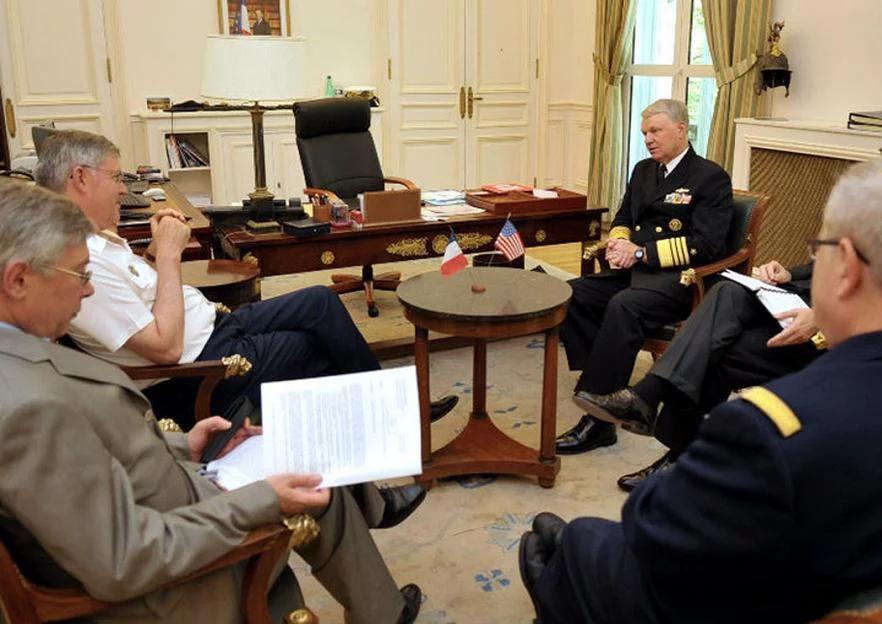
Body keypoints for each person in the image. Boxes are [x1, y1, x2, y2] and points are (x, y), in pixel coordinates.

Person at [0, 181, 427, 623]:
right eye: (79, 275)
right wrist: (259, 500)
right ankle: (383, 598)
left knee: (303, 453)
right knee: (306, 468)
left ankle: (383, 607)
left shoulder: (20, 357)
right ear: (18, 280)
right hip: (174, 587)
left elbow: (93, 454)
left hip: (171, 492)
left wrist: (184, 445)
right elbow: (125, 563)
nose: (88, 291)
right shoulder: (27, 409)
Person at [520, 160, 882, 624]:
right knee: (718, 336)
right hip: (830, 570)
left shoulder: (761, 429)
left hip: (743, 601)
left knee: (569, 544)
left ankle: (651, 413)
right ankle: (663, 424)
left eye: (821, 248)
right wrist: (787, 276)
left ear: (847, 266)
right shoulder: (644, 171)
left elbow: (655, 531)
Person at [33, 129, 457, 428]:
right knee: (317, 346)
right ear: (81, 178)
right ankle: (391, 422)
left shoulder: (94, 241)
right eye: (115, 177)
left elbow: (141, 295)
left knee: (320, 302)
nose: (124, 189)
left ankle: (393, 413)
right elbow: (165, 348)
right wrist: (169, 256)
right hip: (200, 365)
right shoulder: (78, 265)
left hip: (215, 326)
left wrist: (154, 254)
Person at [556, 98, 733, 455]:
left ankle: (598, 421)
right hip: (635, 271)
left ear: (681, 130)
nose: (648, 139)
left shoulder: (709, 177)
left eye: (655, 131)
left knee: (623, 306)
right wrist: (618, 243)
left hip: (679, 280)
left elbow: (708, 246)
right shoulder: (643, 170)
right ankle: (600, 385)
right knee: (572, 294)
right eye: (644, 133)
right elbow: (624, 216)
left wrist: (640, 253)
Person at [578, 260, 821, 491]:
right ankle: (657, 416)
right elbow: (821, 268)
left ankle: (655, 413)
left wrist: (821, 318)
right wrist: (789, 275)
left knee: (715, 348)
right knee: (726, 292)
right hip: (801, 304)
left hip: (828, 337)